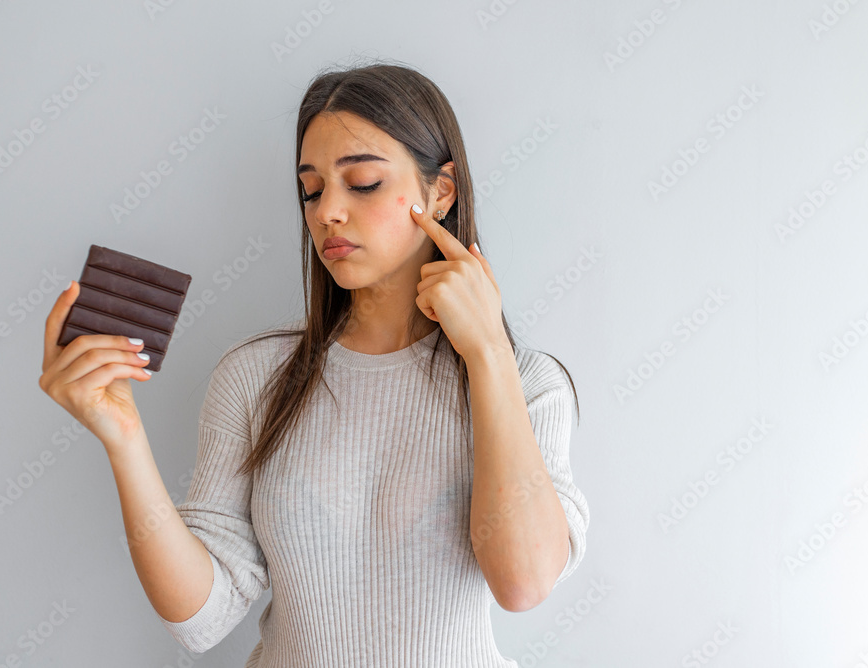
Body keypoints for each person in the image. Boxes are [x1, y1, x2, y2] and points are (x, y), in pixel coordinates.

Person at [38, 59, 589, 667]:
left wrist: (486, 353)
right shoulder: (255, 376)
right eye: (311, 188)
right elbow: (200, 619)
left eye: (363, 183)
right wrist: (124, 438)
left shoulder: (529, 383)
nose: (327, 210)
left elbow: (524, 583)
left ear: (442, 190)